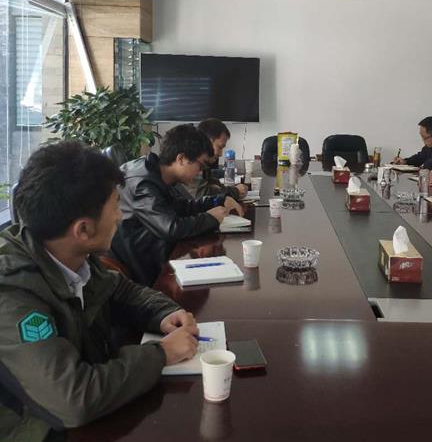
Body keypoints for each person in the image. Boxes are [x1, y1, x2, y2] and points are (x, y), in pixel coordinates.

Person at [0, 141, 199, 441]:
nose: (121, 216)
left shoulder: (70, 254)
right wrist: (160, 354)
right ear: (83, 229)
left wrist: (165, 313)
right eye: (116, 206)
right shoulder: (11, 291)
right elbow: (73, 399)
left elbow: (121, 290)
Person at [111, 124, 243, 286]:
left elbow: (182, 207)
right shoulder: (143, 183)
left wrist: (218, 200)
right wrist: (211, 218)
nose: (200, 172)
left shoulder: (159, 173)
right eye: (200, 166)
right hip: (140, 272)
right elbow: (171, 228)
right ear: (181, 159)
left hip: (155, 256)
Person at [197, 118, 248, 200]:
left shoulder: (203, 164)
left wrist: (220, 187)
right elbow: (202, 194)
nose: (220, 154)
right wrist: (235, 191)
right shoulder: (191, 162)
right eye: (220, 147)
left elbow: (209, 182)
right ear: (207, 142)